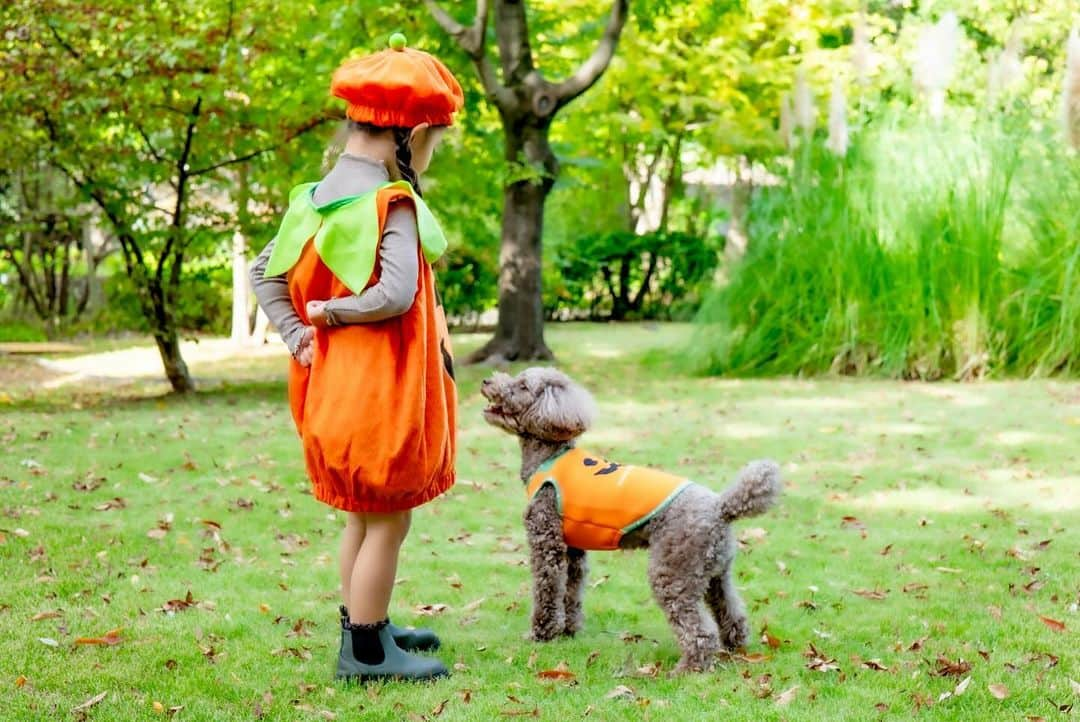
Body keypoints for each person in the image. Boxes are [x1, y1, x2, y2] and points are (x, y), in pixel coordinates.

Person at [249, 32, 462, 683]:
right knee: (388, 522)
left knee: (362, 518)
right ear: (414, 131)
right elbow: (396, 294)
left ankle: (365, 623)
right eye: (433, 140)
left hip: (331, 390)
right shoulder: (388, 203)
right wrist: (332, 313)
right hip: (378, 394)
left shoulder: (311, 199)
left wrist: (297, 331)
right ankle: (367, 652)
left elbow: (265, 273)